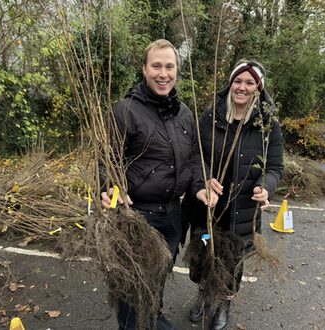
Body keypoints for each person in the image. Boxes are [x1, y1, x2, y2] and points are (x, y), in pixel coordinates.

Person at [100, 39, 217, 330]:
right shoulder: (126, 110)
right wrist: (107, 186)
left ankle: (154, 314)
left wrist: (200, 186)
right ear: (144, 69)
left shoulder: (185, 113)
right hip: (136, 215)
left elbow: (192, 160)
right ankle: (132, 325)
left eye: (169, 66)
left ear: (176, 70)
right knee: (131, 282)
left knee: (160, 272)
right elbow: (106, 158)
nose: (163, 73)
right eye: (156, 66)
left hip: (171, 215)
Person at [183, 60, 283, 330]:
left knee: (233, 262)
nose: (242, 87)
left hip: (242, 211)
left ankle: (224, 303)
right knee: (203, 255)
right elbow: (195, 156)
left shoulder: (267, 126)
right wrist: (204, 179)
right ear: (230, 84)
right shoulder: (210, 117)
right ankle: (204, 296)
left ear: (258, 89)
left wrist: (266, 185)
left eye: (249, 83)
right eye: (238, 81)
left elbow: (274, 167)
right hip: (208, 207)